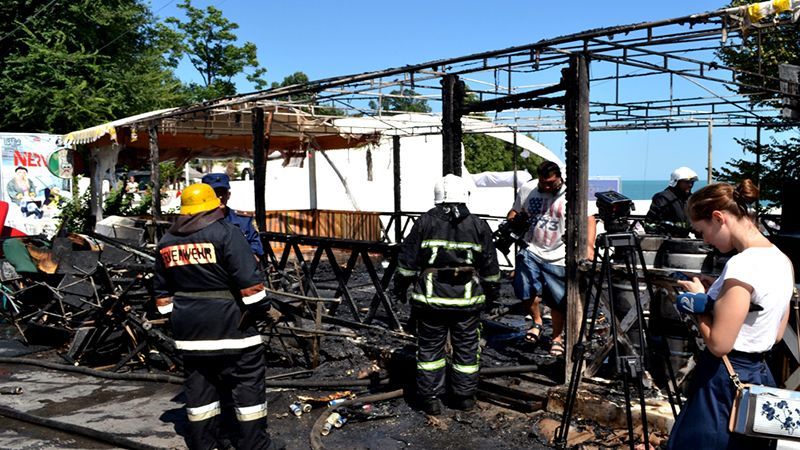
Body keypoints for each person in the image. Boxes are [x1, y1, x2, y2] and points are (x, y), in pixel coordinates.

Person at [667, 180, 794, 450]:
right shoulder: (783, 261)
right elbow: (776, 333)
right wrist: (719, 291)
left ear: (718, 218)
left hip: (724, 380)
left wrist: (698, 303)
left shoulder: (741, 265)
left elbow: (719, 344)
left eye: (703, 231)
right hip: (760, 378)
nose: (705, 240)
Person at [153, 183, 280, 450]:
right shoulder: (226, 233)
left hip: (190, 335)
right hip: (233, 329)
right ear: (212, 207)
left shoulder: (166, 242)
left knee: (200, 393)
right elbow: (251, 287)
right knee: (247, 389)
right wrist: (264, 311)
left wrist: (180, 319)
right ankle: (254, 445)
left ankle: (205, 444)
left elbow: (162, 296)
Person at [392, 174, 500, 415]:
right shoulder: (478, 225)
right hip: (467, 303)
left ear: (438, 197)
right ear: (464, 196)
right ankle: (464, 398)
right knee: (467, 348)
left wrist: (400, 288)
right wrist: (493, 296)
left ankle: (431, 399)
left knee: (430, 350)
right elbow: (490, 267)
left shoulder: (424, 222)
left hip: (431, 303)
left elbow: (407, 262)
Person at [508, 161, 596, 357]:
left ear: (559, 178)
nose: (547, 187)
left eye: (551, 183)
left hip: (559, 254)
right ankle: (537, 321)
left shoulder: (573, 193)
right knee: (524, 289)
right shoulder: (528, 189)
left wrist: (589, 246)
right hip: (531, 248)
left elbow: (590, 219)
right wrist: (513, 221)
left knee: (558, 299)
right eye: (543, 182)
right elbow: (514, 212)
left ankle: (557, 337)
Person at [202, 173, 264, 260]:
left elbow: (256, 247)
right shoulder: (198, 222)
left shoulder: (244, 221)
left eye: (223, 192)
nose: (220, 197)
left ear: (229, 195)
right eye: (215, 193)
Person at [645, 166, 698, 237]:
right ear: (676, 182)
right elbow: (650, 223)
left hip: (684, 239)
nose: (690, 185)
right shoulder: (663, 198)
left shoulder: (690, 199)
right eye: (686, 182)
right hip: (665, 239)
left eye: (692, 182)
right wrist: (659, 239)